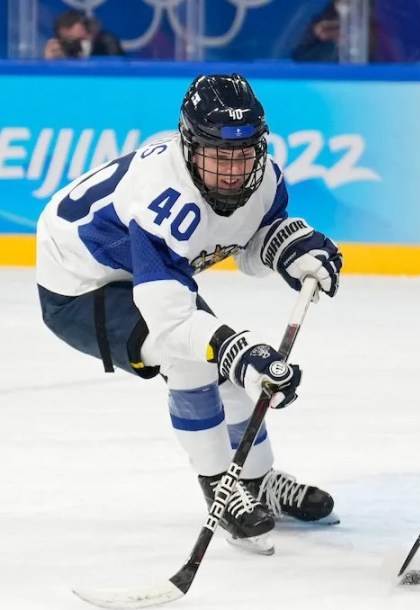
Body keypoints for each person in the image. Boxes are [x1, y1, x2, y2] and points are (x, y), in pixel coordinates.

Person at [36, 74, 344, 554]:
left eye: (243, 155)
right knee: (191, 360)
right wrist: (237, 352)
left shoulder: (264, 179)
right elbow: (171, 320)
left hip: (140, 271)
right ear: (189, 146)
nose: (233, 172)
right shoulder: (164, 199)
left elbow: (249, 241)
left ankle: (259, 483)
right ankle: (220, 490)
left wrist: (288, 246)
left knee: (226, 372)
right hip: (82, 286)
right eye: (219, 155)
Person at [44, 10, 125, 60]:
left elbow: (116, 65)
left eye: (70, 26)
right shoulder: (62, 47)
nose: (68, 33)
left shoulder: (106, 41)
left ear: (82, 26)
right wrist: (50, 60)